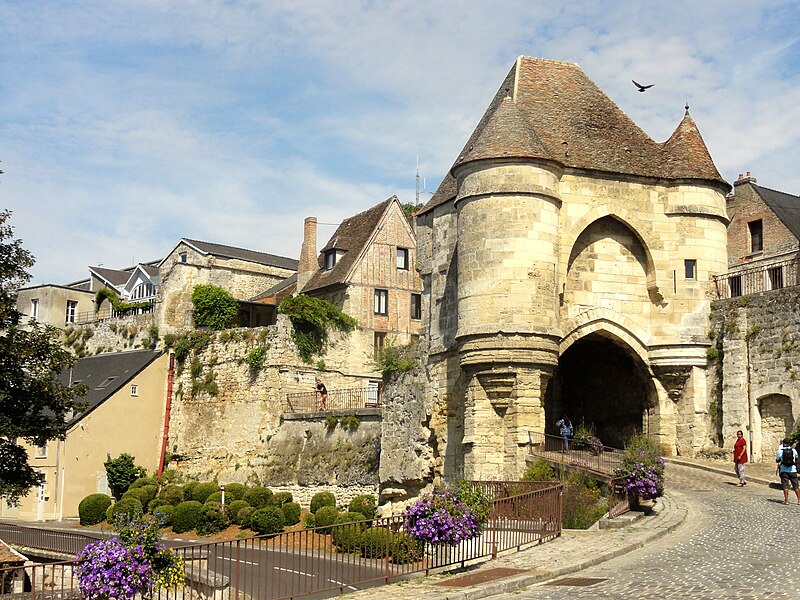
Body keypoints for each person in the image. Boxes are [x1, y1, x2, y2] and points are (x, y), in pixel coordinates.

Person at [775, 438, 800, 505]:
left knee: (785, 486)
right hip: (793, 470)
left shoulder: (780, 451)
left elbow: (777, 460)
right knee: (796, 485)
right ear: (789, 444)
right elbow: (796, 458)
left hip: (784, 470)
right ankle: (799, 500)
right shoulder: (794, 450)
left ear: (783, 443)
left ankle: (786, 501)